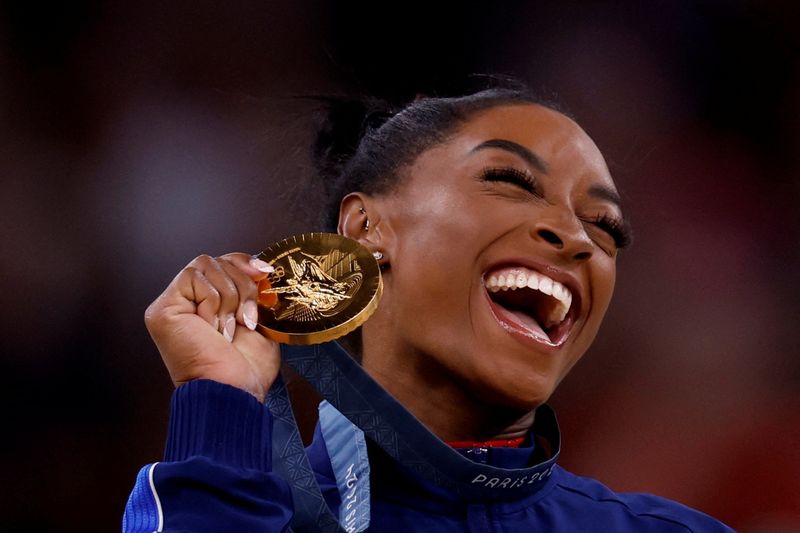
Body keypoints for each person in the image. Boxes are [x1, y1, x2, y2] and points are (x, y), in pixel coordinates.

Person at [122, 85, 734, 532]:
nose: (577, 237)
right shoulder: (232, 509)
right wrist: (220, 402)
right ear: (365, 228)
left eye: (605, 227)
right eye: (512, 182)